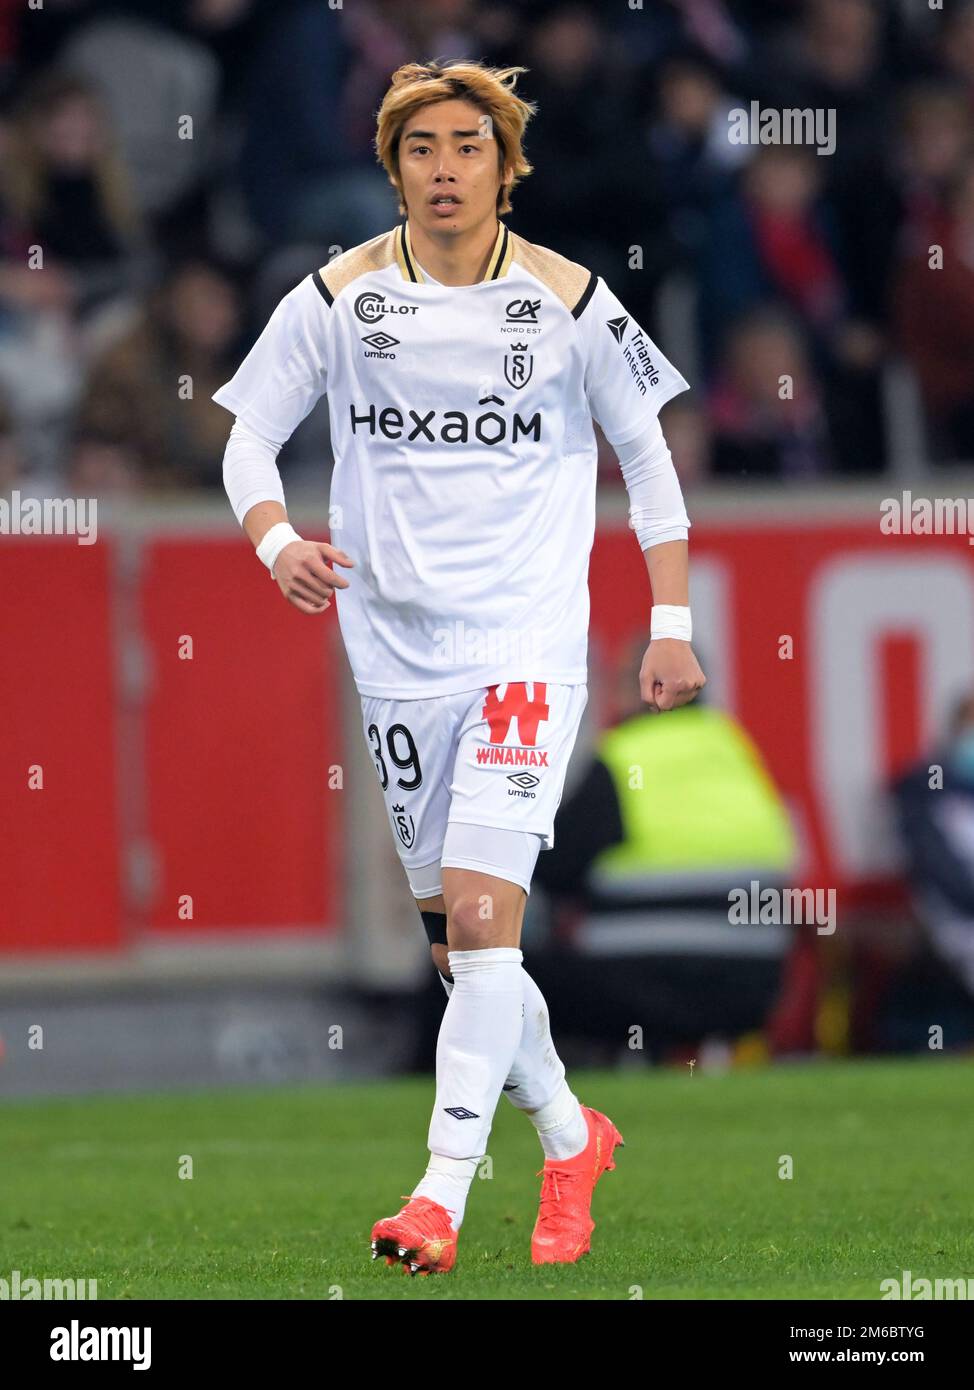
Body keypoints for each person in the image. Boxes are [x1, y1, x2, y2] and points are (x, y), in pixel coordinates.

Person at [214, 59, 705, 1275]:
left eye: (467, 148)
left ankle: (435, 1195)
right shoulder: (336, 298)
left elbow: (647, 458)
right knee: (461, 952)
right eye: (422, 147)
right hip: (392, 654)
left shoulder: (573, 299)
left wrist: (670, 618)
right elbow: (249, 440)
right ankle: (569, 1134)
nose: (445, 168)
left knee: (487, 921)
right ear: (394, 166)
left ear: (504, 166)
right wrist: (275, 539)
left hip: (525, 643)